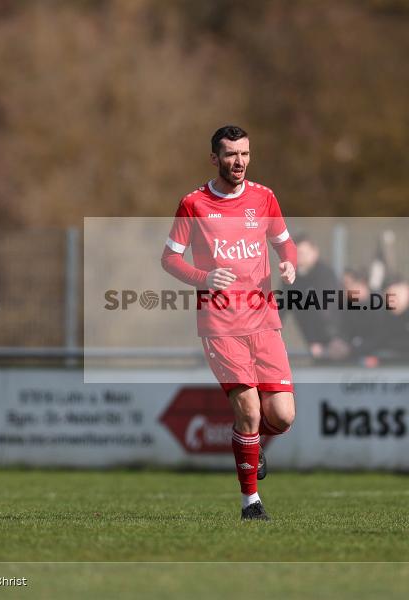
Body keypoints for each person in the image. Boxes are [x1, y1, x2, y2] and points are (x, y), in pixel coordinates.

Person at [160, 125, 297, 521]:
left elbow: (284, 243)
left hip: (264, 320)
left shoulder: (264, 197)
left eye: (245, 154)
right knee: (250, 411)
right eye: (231, 154)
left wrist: (289, 261)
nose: (239, 162)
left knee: (283, 415)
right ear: (214, 158)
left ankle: (251, 450)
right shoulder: (194, 204)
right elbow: (169, 259)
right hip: (220, 324)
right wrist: (203, 278)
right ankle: (250, 502)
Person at [284, 234, 349, 361]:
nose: (299, 257)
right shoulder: (292, 278)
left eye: (303, 253)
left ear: (315, 252)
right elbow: (280, 308)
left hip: (338, 341)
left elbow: (327, 310)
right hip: (318, 344)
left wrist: (334, 339)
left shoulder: (325, 276)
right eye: (296, 254)